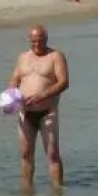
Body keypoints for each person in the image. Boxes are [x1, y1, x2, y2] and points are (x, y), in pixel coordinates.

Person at [7, 24, 70, 187]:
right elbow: (15, 79)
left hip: (47, 113)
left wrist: (42, 95)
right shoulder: (22, 58)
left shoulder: (56, 56)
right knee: (25, 154)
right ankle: (27, 194)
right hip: (25, 113)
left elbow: (64, 82)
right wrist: (10, 96)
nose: (37, 45)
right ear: (29, 40)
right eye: (33, 41)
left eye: (40, 41)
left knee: (52, 154)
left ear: (46, 39)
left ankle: (57, 194)